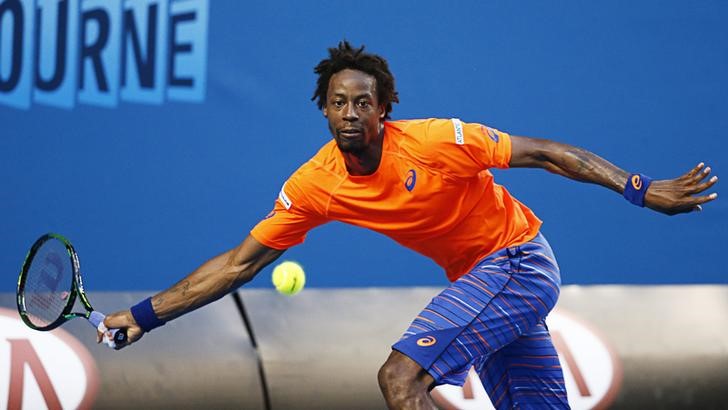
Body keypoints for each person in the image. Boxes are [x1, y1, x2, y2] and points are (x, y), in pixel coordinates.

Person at [100, 41, 718, 409]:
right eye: (338, 102)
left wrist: (638, 189)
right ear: (324, 110)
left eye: (362, 102)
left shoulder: (436, 141)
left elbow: (546, 152)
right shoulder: (314, 185)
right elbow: (236, 265)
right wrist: (145, 316)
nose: (349, 113)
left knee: (400, 377)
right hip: (487, 286)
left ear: (384, 108)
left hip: (518, 262)